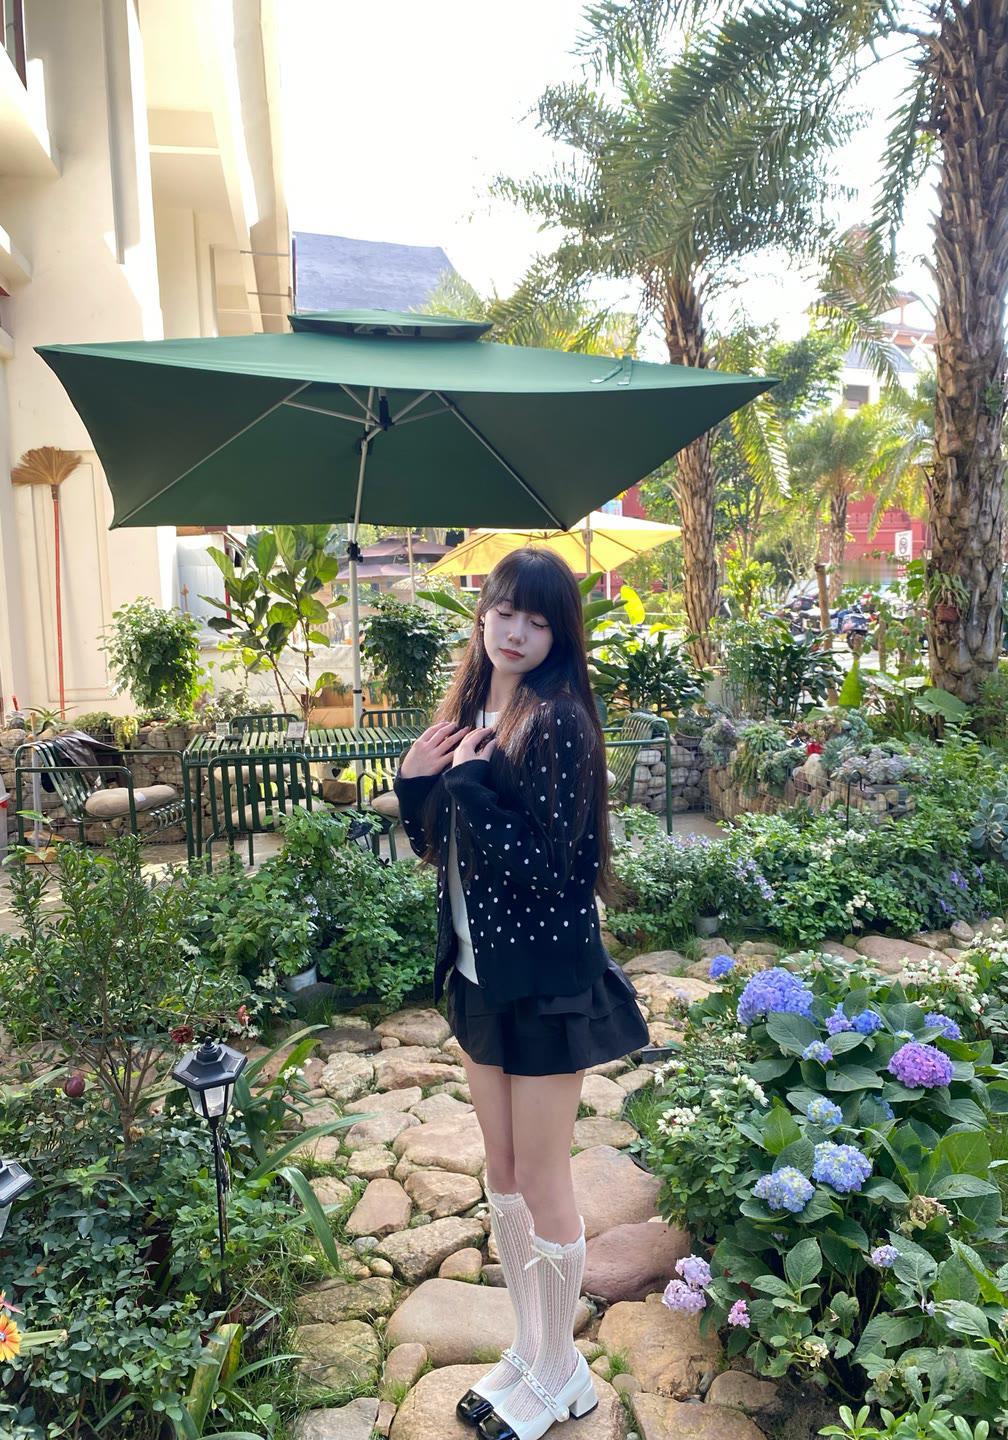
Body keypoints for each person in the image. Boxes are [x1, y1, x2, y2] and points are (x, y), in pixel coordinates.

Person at [393, 547, 649, 1440]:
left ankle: (561, 1370)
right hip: (477, 973)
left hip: (544, 982)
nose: (515, 631)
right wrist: (417, 783)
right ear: (483, 612)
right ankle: (532, 1349)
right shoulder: (471, 712)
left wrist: (468, 782)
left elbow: (547, 867)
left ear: (558, 635)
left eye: (537, 620)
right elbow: (440, 849)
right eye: (505, 610)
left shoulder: (558, 722)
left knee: (542, 1176)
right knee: (500, 1173)